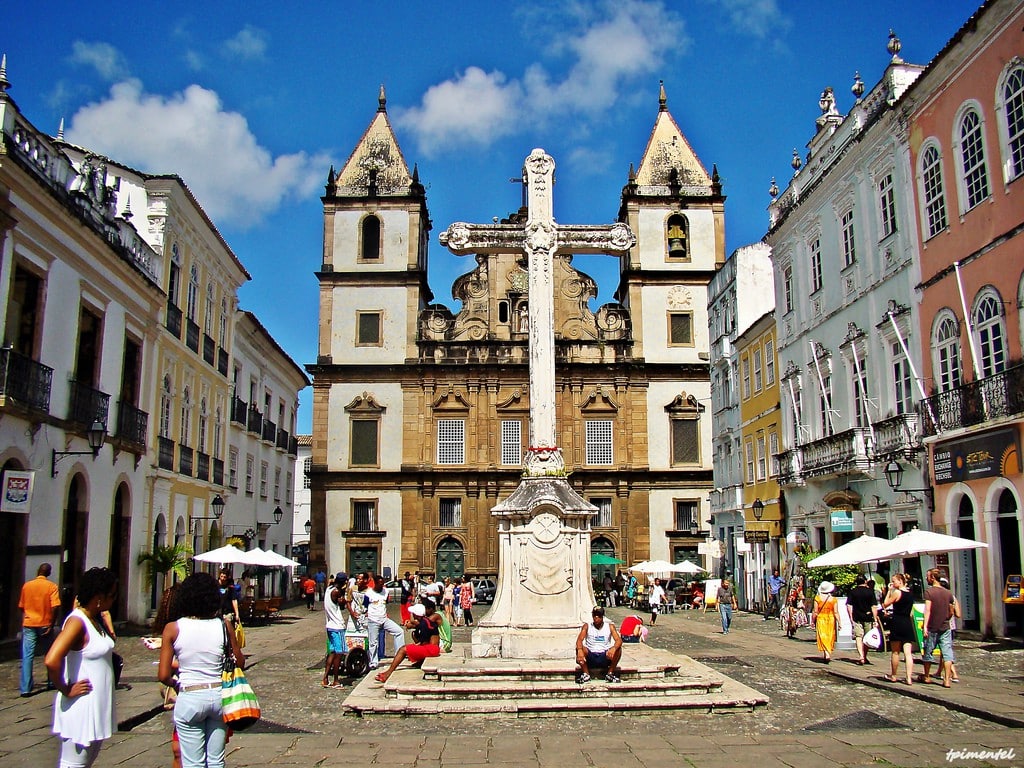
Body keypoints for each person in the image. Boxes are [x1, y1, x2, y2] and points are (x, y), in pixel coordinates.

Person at [158, 572, 245, 768]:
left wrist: (176, 684)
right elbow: (240, 662)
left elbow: (163, 675)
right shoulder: (224, 626)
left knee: (192, 763)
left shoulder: (173, 628)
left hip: (190, 695)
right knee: (216, 760)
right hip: (218, 696)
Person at [45, 567, 118, 768]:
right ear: (98, 597)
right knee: (74, 763)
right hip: (82, 706)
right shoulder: (78, 622)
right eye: (111, 595)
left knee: (86, 761)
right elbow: (52, 659)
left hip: (96, 704)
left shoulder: (94, 619)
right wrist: (65, 688)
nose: (114, 600)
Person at [19, 562, 62, 697]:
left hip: (29, 623)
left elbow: (21, 606)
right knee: (49, 654)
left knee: (27, 656)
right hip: (44, 624)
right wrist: (51, 624)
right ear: (48, 573)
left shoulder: (27, 586)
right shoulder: (51, 587)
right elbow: (55, 606)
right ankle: (51, 681)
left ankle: (25, 688)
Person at [374, 599, 442, 683]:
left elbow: (424, 642)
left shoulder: (425, 624)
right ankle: (419, 661)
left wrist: (414, 646)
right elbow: (417, 626)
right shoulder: (425, 622)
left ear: (416, 615)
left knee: (403, 649)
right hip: (432, 648)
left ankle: (388, 672)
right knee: (413, 642)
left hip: (432, 649)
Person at [920, 568, 955, 687]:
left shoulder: (929, 592)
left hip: (932, 627)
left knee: (928, 651)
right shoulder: (948, 592)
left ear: (933, 578)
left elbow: (927, 610)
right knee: (947, 653)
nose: (926, 578)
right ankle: (947, 680)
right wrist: (945, 618)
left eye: (928, 576)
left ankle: (927, 676)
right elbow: (951, 611)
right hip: (945, 626)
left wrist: (925, 626)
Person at [881, 572, 916, 685]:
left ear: (900, 581)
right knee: (908, 653)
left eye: (894, 581)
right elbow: (911, 612)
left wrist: (888, 591)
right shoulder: (910, 594)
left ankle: (894, 675)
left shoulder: (897, 592)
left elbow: (885, 604)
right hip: (907, 622)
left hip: (897, 622)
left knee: (895, 652)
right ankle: (909, 677)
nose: (892, 583)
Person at [365, 573, 405, 669]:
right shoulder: (368, 594)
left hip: (384, 619)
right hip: (373, 620)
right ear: (375, 583)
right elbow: (365, 605)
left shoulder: (385, 591)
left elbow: (386, 601)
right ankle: (373, 662)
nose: (381, 586)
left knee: (399, 631)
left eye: (382, 583)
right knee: (373, 642)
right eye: (379, 584)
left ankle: (399, 655)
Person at [574, 606, 623, 684]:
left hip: (604, 655)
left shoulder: (610, 626)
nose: (596, 617)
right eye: (594, 615)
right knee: (579, 648)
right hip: (591, 655)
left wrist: (614, 648)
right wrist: (580, 650)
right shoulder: (587, 626)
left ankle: (610, 674)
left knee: (618, 649)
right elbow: (579, 640)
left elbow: (619, 640)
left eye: (599, 615)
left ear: (602, 616)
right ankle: (586, 674)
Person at [847, 574, 880, 665]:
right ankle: (864, 656)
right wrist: (875, 619)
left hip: (857, 616)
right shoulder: (870, 592)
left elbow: (849, 605)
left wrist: (850, 616)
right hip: (868, 617)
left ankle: (861, 656)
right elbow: (874, 606)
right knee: (866, 637)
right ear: (865, 581)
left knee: (858, 637)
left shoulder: (853, 592)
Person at [322, 573, 348, 688]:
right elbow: (342, 605)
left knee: (332, 653)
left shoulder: (329, 589)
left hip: (330, 625)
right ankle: (336, 680)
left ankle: (325, 678)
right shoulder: (336, 592)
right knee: (339, 653)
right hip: (337, 626)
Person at [938, 577, 961, 683]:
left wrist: (946, 616)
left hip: (944, 625)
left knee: (945, 651)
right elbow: (959, 614)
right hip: (952, 627)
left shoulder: (944, 597)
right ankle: (939, 671)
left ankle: (954, 673)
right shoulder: (953, 597)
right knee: (944, 650)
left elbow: (954, 613)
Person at [811, 580, 839, 663]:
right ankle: (827, 652)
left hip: (821, 618)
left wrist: (813, 621)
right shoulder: (833, 599)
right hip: (830, 619)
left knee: (822, 635)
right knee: (830, 635)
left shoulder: (818, 598)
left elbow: (815, 611)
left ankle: (826, 653)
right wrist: (839, 622)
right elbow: (836, 612)